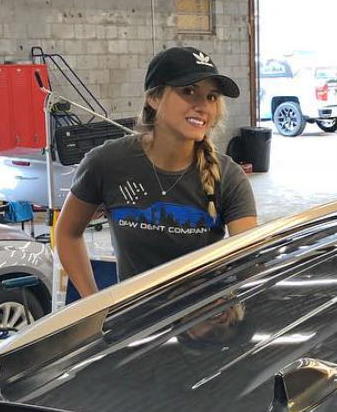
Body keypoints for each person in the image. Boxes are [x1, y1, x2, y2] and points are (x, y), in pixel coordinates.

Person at [56, 46, 258, 298]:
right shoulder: (107, 163)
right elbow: (67, 233)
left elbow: (249, 261)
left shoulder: (228, 177)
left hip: (203, 323)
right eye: (188, 91)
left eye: (211, 97)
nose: (203, 106)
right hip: (135, 324)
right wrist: (93, 303)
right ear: (154, 98)